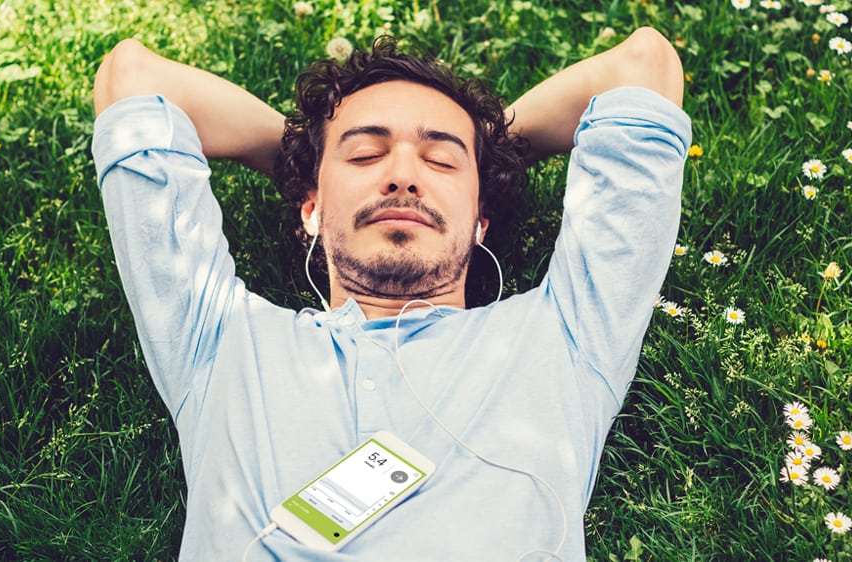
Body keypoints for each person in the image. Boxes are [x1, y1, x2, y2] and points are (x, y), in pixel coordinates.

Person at [91, 26, 690, 561]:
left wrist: (489, 152)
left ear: (481, 221)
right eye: (366, 153)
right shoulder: (218, 340)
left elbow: (642, 68)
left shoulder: (567, 336)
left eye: (441, 162)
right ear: (311, 209)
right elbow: (133, 80)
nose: (403, 174)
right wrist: (306, 161)